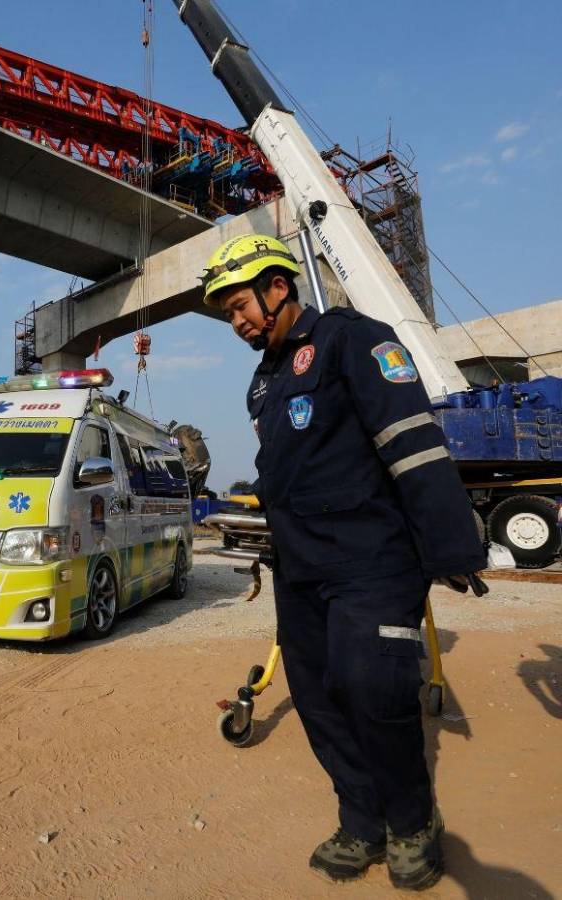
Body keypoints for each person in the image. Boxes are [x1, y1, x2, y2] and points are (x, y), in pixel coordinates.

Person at [200, 234, 487, 891]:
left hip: (371, 559)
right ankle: (362, 822)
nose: (236, 320)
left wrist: (448, 542)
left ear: (278, 287)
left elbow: (411, 442)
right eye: (227, 314)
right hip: (300, 569)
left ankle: (411, 824)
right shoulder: (263, 383)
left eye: (241, 304)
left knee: (375, 690)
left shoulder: (351, 339)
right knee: (319, 698)